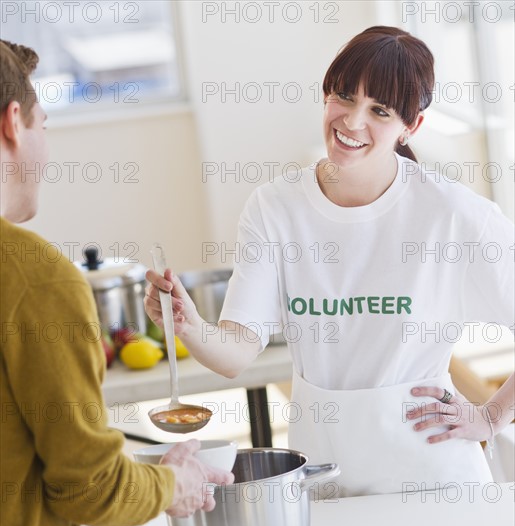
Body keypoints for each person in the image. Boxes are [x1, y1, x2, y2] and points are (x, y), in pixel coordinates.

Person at [145, 26, 514, 497]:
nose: (352, 122)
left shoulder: (452, 213)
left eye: (379, 110)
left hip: (434, 484)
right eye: (344, 95)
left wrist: (489, 417)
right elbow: (237, 352)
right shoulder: (275, 207)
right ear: (326, 93)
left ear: (410, 126)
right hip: (323, 477)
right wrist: (192, 326)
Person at [0, 40, 233, 526]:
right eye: (44, 126)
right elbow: (89, 485)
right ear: (12, 123)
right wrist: (174, 484)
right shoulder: (37, 281)